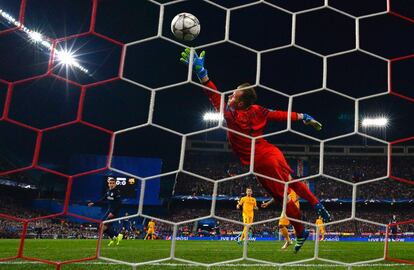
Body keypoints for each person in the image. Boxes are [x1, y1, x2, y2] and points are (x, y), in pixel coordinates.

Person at [180, 48, 332, 253]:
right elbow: (278, 114)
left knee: (285, 192)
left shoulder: (232, 116)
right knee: (287, 188)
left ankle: (308, 217)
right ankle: (308, 217)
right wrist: (302, 116)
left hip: (262, 160)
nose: (231, 95)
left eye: (234, 94)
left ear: (240, 102)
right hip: (266, 155)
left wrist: (202, 75)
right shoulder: (257, 110)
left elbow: (214, 97)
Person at [88, 177, 123, 246]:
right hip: (109, 210)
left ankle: (116, 236)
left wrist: (113, 212)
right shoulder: (108, 191)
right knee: (101, 225)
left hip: (114, 212)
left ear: (115, 184)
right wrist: (94, 203)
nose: (111, 184)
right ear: (108, 184)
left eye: (113, 183)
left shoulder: (117, 192)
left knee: (104, 226)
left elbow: (119, 204)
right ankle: (115, 237)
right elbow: (102, 199)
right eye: (110, 183)